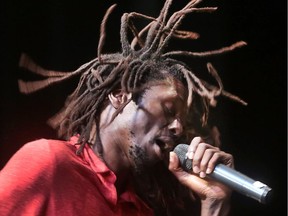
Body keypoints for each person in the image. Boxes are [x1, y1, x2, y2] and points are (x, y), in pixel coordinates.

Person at [0, 0, 247, 215]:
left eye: (180, 120)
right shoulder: (48, 163)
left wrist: (215, 204)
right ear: (119, 95)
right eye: (170, 110)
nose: (178, 127)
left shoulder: (138, 209)